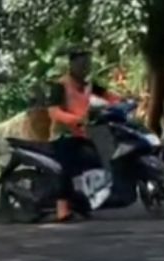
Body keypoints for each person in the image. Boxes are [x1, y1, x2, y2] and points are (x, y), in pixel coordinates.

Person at [47, 47, 121, 221]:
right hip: (62, 136)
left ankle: (83, 201)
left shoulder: (89, 85)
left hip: (82, 135)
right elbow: (53, 112)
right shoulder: (60, 85)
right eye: (81, 63)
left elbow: (110, 97)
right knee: (66, 167)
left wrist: (124, 104)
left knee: (95, 164)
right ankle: (62, 209)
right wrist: (75, 119)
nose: (84, 68)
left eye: (87, 64)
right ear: (71, 64)